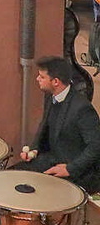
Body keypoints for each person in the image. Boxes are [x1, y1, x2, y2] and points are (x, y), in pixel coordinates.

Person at [19, 55, 100, 191]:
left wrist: (70, 168)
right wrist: (34, 149)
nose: (37, 79)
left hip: (76, 170)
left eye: (42, 77)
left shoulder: (82, 108)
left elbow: (96, 146)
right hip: (52, 159)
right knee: (15, 175)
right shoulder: (50, 96)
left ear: (55, 81)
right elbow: (44, 126)